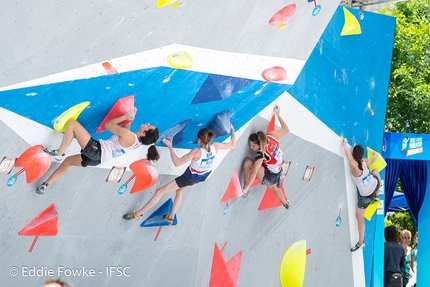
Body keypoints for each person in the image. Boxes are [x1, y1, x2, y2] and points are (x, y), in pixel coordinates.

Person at [123, 125, 236, 224]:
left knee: (160, 191)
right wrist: (232, 129)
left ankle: (138, 214)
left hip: (188, 178)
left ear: (199, 140)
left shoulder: (196, 152)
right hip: (202, 177)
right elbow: (233, 144)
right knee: (179, 190)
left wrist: (170, 147)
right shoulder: (215, 146)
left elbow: (177, 163)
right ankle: (171, 217)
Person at [37, 108, 159, 194]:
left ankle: (60, 152)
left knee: (73, 124)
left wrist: (124, 117)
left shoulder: (129, 136)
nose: (148, 124)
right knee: (67, 162)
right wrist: (129, 119)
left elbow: (108, 125)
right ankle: (45, 185)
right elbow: (125, 131)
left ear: (144, 133)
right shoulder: (135, 141)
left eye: (149, 126)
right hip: (98, 159)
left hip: (97, 150)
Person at [241, 105, 290, 209]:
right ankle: (285, 203)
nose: (251, 147)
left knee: (247, 163)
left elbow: (254, 172)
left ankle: (245, 191)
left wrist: (246, 188)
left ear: (259, 144)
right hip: (277, 170)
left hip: (271, 175)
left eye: (253, 146)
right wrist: (278, 115)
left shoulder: (260, 154)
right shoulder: (271, 136)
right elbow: (286, 130)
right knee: (274, 188)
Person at [342, 138, 381, 252]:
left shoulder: (354, 164)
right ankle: (376, 196)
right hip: (374, 184)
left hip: (366, 195)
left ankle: (361, 242)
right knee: (375, 171)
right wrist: (375, 155)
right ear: (362, 155)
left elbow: (348, 155)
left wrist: (344, 144)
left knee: (359, 217)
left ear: (354, 154)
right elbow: (372, 161)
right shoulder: (364, 161)